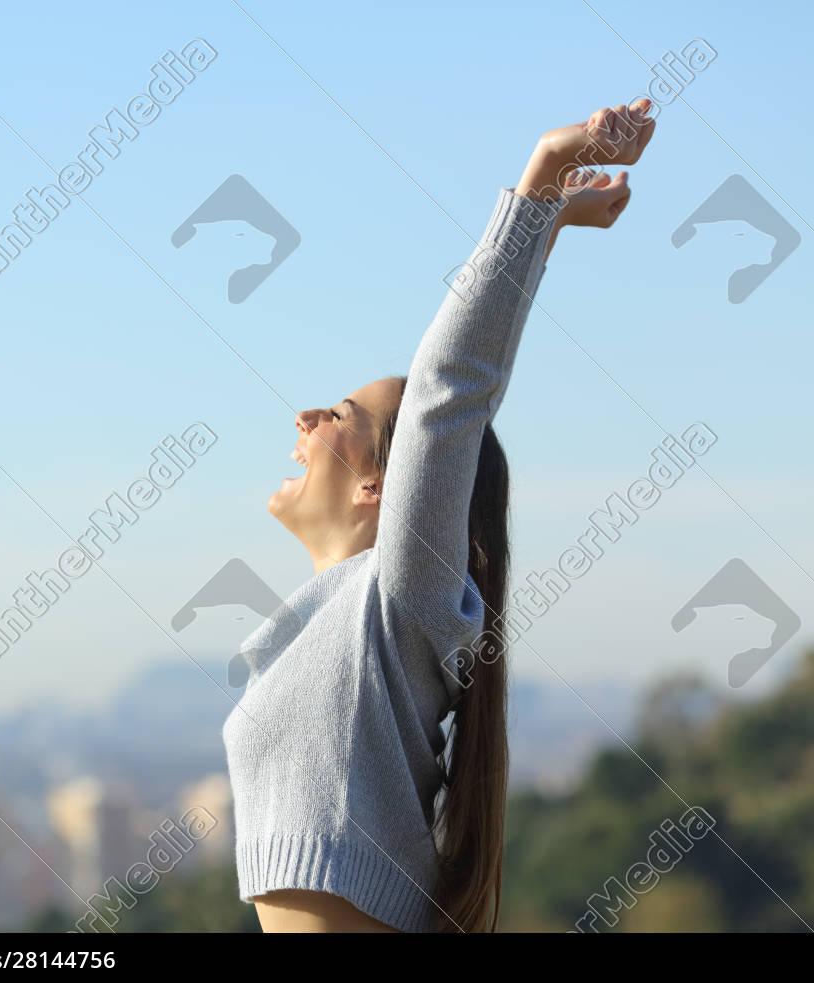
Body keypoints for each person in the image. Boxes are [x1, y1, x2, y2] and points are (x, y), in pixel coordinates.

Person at [221, 99, 657, 933]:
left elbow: (449, 388)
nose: (306, 417)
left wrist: (540, 184)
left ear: (381, 486)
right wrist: (548, 221)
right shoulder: (341, 624)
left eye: (340, 413)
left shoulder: (402, 598)